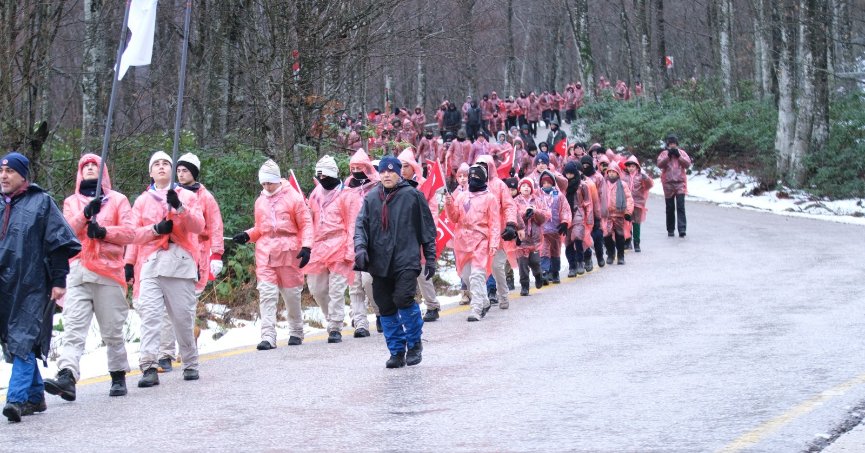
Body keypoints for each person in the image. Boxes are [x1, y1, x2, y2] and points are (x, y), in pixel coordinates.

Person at [45, 154, 134, 402]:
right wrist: (85, 214)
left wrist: (105, 232)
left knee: (112, 330)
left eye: (95, 165)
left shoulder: (118, 200)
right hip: (79, 272)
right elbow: (65, 232)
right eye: (86, 166)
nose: (91, 168)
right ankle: (67, 376)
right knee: (73, 328)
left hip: (108, 273)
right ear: (79, 173)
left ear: (103, 171)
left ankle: (117, 373)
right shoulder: (71, 202)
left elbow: (129, 233)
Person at [1, 153, 80, 422]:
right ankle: (35, 396)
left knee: (24, 338)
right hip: (4, 286)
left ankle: (16, 399)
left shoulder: (41, 202)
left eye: (10, 171)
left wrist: (59, 280)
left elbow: (58, 243)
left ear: (23, 175)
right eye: (1, 171)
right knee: (15, 340)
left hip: (33, 284)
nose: (3, 176)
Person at [125, 151, 205, 387]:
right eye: (156, 164)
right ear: (150, 172)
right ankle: (149, 365)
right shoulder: (141, 201)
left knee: (182, 317)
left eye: (165, 164)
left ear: (173, 171)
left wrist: (180, 207)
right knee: (150, 316)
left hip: (180, 262)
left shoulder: (188, 196)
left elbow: (198, 226)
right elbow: (133, 234)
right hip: (150, 263)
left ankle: (190, 362)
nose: (161, 167)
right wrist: (155, 230)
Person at [353, 157, 436, 368]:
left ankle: (415, 343)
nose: (387, 175)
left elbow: (427, 228)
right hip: (380, 261)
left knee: (403, 299)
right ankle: (397, 351)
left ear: (399, 173)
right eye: (383, 172)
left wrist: (430, 257)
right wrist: (361, 248)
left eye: (391, 171)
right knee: (385, 304)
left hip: (406, 258)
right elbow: (361, 226)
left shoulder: (413, 196)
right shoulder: (371, 198)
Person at [232, 160, 313, 349]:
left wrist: (307, 246)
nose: (266, 186)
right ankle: (268, 336)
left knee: (292, 295)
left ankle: (296, 331)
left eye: (269, 182)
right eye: (263, 183)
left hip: (289, 251)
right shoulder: (260, 201)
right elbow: (261, 228)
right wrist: (247, 235)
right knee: (267, 294)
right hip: (265, 252)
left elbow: (306, 224)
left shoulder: (294, 198)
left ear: (277, 180)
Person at [157, 152, 224, 372]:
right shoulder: (171, 194)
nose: (181, 174)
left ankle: (185, 348)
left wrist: (216, 254)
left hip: (198, 255)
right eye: (179, 170)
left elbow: (215, 226)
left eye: (185, 170)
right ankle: (164, 353)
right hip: (173, 251)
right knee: (167, 306)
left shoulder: (206, 197)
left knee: (185, 306)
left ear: (194, 173)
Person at [305, 155, 354, 344]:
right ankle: (331, 317)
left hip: (339, 243)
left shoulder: (346, 195)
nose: (323, 180)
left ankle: (335, 326)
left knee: (336, 289)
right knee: (316, 288)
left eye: (326, 177)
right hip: (318, 246)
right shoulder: (315, 193)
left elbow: (352, 224)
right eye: (320, 177)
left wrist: (350, 251)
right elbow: (309, 221)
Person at [444, 164, 501, 321]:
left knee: (477, 275)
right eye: (471, 177)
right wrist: (449, 204)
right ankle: (484, 301)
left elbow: (495, 223)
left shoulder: (490, 199)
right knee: (467, 276)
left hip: (481, 240)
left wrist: (494, 243)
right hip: (462, 241)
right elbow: (454, 218)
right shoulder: (462, 197)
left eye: (477, 177)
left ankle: (476, 309)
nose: (473, 179)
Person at [397, 150, 441, 322]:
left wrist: (428, 232)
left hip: (419, 235)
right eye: (400, 166)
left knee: (423, 272)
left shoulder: (424, 185)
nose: (402, 170)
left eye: (406, 166)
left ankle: (432, 305)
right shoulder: (396, 185)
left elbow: (433, 211)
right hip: (401, 237)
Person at [344, 149, 381, 336]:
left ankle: (380, 311)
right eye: (353, 168)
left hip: (372, 243)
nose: (357, 171)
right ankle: (360, 323)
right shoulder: (346, 189)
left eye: (360, 167)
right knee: (355, 285)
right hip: (351, 242)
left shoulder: (377, 188)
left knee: (369, 281)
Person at [475, 155, 517, 310]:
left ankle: (503, 294)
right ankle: (483, 299)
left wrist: (511, 224)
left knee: (497, 267)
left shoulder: (499, 185)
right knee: (478, 270)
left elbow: (509, 206)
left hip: (497, 233)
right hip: (478, 234)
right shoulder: (473, 185)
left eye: (484, 165)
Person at [513, 178, 548, 296]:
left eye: (528, 186)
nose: (526, 188)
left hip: (535, 239)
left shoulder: (537, 200)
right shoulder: (515, 201)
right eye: (523, 186)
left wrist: (535, 212)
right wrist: (524, 214)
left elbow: (544, 216)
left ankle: (538, 275)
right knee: (522, 264)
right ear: (519, 188)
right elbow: (513, 216)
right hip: (521, 238)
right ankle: (524, 286)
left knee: (535, 262)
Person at [537, 171, 571, 285]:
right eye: (544, 183)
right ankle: (545, 272)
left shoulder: (559, 195)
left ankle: (555, 272)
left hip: (556, 228)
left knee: (555, 251)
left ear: (552, 183)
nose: (546, 185)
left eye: (548, 182)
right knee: (545, 250)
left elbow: (565, 209)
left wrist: (565, 222)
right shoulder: (538, 196)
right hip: (543, 229)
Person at [658, 134, 691, 237]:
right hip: (668, 183)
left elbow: (688, 164)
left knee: (681, 206)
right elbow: (659, 164)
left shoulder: (682, 153)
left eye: (674, 144)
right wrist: (668, 157)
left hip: (680, 183)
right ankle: (670, 229)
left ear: (677, 144)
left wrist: (679, 156)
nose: (672, 145)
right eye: (670, 144)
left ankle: (682, 229)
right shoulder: (664, 154)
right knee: (670, 207)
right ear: (668, 144)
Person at [602, 163, 634, 265]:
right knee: (606, 235)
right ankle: (610, 254)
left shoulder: (623, 185)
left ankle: (621, 256)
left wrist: (628, 212)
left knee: (620, 236)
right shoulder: (603, 184)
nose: (611, 174)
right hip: (606, 215)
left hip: (619, 214)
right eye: (609, 172)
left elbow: (629, 198)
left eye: (613, 172)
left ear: (617, 173)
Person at [622, 156, 654, 252]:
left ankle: (637, 243)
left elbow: (649, 186)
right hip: (627, 203)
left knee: (636, 223)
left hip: (638, 203)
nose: (631, 168)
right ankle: (628, 241)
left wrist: (647, 179)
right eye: (629, 166)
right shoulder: (624, 177)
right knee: (627, 223)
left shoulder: (641, 176)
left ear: (637, 167)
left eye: (633, 166)